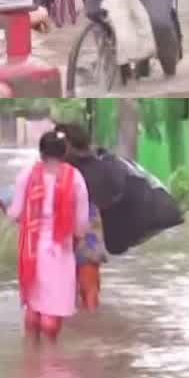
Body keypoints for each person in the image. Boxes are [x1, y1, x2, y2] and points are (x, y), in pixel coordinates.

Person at [5, 130, 90, 341]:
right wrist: (75, 238)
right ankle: (50, 360)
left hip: (31, 250)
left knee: (33, 307)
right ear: (64, 152)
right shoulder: (76, 178)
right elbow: (81, 224)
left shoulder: (26, 175)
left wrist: (1, 204)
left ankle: (32, 358)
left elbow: (15, 214)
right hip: (60, 251)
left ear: (41, 152)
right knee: (52, 315)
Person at [57, 123, 108, 311]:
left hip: (78, 228)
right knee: (89, 286)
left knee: (80, 286)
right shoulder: (97, 163)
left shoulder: (64, 167)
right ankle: (90, 326)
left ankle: (86, 326)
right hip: (88, 228)